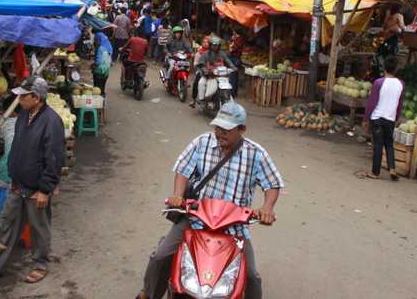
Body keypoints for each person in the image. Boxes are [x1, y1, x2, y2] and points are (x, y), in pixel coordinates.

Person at [137, 102, 283, 299]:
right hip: (196, 218)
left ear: (241, 129)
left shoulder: (256, 154)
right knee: (162, 256)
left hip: (234, 227)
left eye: (226, 130)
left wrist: (267, 207)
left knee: (251, 277)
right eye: (217, 127)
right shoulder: (202, 142)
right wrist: (178, 195)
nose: (220, 133)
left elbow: (272, 183)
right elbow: (183, 170)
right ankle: (149, 293)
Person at [0, 78, 65, 284]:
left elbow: (54, 158)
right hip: (17, 183)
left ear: (36, 98)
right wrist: (13, 175)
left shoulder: (52, 121)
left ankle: (40, 264)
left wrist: (45, 189)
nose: (19, 100)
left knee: (39, 228)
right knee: (7, 222)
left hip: (37, 188)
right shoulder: (23, 115)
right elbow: (18, 146)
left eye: (23, 96)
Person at [361, 55, 405, 181]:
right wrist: (396, 118)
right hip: (390, 119)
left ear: (384, 68)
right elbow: (400, 103)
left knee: (378, 145)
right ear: (396, 69)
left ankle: (375, 172)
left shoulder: (378, 83)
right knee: (389, 144)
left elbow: (372, 103)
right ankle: (392, 169)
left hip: (377, 118)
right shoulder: (401, 84)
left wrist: (365, 119)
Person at [190, 36, 237, 107]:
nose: (215, 47)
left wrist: (233, 67)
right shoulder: (205, 54)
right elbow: (201, 64)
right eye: (213, 45)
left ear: (219, 46)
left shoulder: (222, 54)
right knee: (201, 83)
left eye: (217, 45)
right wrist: (205, 70)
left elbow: (228, 61)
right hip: (208, 76)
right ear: (210, 45)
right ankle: (201, 99)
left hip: (220, 76)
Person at [373, 5, 406, 77]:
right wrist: (402, 28)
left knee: (383, 55)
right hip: (392, 39)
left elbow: (384, 27)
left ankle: (381, 72)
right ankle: (389, 74)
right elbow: (402, 26)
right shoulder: (399, 15)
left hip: (385, 39)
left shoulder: (388, 15)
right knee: (391, 57)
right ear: (399, 9)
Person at [92, 31, 113, 95]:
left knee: (97, 89)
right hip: (106, 72)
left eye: (96, 40)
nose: (95, 41)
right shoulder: (109, 47)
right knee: (102, 87)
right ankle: (103, 95)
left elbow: (98, 62)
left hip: (99, 72)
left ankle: (98, 98)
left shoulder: (100, 49)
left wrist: (92, 65)